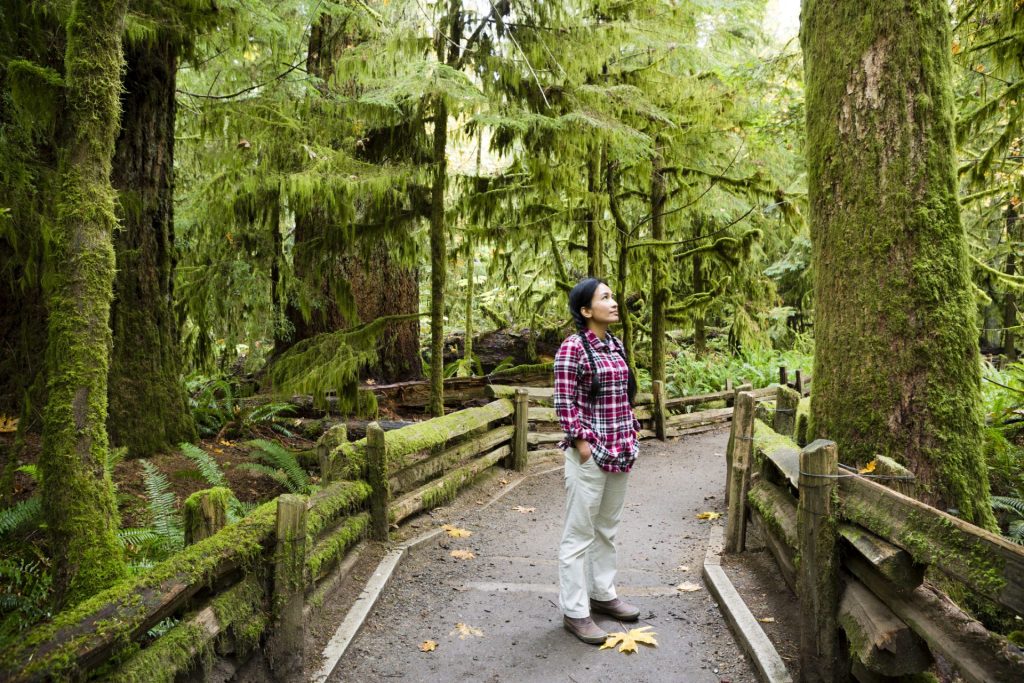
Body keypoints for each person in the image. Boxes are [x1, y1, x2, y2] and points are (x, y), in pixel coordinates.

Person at [553, 277, 642, 644]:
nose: (614, 301)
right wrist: (581, 443)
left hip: (621, 450)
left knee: (607, 528)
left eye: (612, 296)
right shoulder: (573, 348)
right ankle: (575, 612)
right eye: (604, 297)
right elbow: (563, 401)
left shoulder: (615, 344)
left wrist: (632, 430)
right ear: (586, 310)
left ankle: (603, 595)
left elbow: (623, 394)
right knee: (579, 535)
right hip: (589, 453)